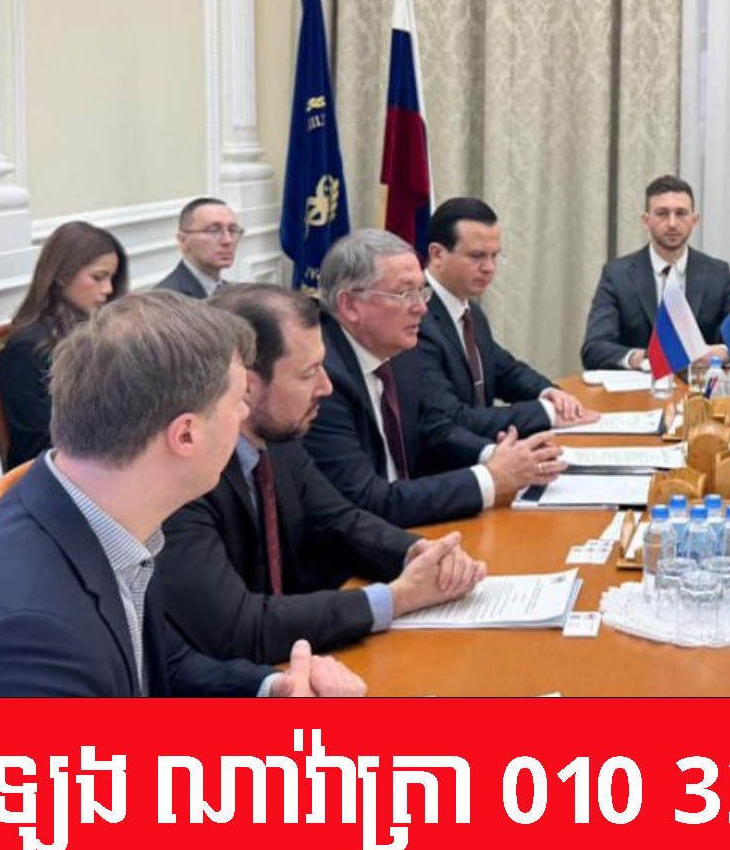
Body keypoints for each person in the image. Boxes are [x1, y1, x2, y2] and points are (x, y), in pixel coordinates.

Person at [0, 292, 365, 697]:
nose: (244, 416)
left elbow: (159, 664)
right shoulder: (28, 636)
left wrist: (272, 689)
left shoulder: (97, 515)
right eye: (237, 402)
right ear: (185, 435)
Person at [157, 285, 488, 664]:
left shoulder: (279, 440)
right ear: (246, 385)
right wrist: (396, 598)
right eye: (309, 373)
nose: (326, 387)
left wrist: (419, 553)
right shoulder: (186, 476)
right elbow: (238, 629)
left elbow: (339, 521)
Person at [306, 229, 564, 527]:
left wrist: (499, 456)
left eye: (422, 291)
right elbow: (367, 501)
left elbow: (434, 430)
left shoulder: (400, 352)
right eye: (405, 294)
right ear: (350, 305)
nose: (422, 308)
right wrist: (489, 479)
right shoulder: (322, 381)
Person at [419, 197, 598, 437]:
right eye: (477, 256)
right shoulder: (415, 318)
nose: (489, 268)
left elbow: (504, 370)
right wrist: (545, 413)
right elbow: (453, 419)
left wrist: (549, 393)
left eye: (494, 256)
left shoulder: (470, 312)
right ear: (438, 254)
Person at [0, 221, 129, 468]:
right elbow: (37, 442)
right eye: (98, 278)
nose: (109, 289)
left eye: (112, 278)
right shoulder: (26, 348)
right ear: (61, 275)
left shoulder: (97, 332)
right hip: (60, 470)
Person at [580, 175, 730, 372]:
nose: (672, 223)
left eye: (681, 213)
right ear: (646, 221)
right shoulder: (617, 275)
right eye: (662, 214)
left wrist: (720, 353)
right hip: (639, 388)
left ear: (694, 220)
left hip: (699, 386)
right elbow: (594, 348)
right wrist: (644, 358)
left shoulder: (718, 274)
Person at [155, 197, 241, 298]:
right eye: (214, 230)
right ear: (183, 240)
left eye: (232, 230)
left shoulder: (233, 293)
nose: (228, 240)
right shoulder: (165, 300)